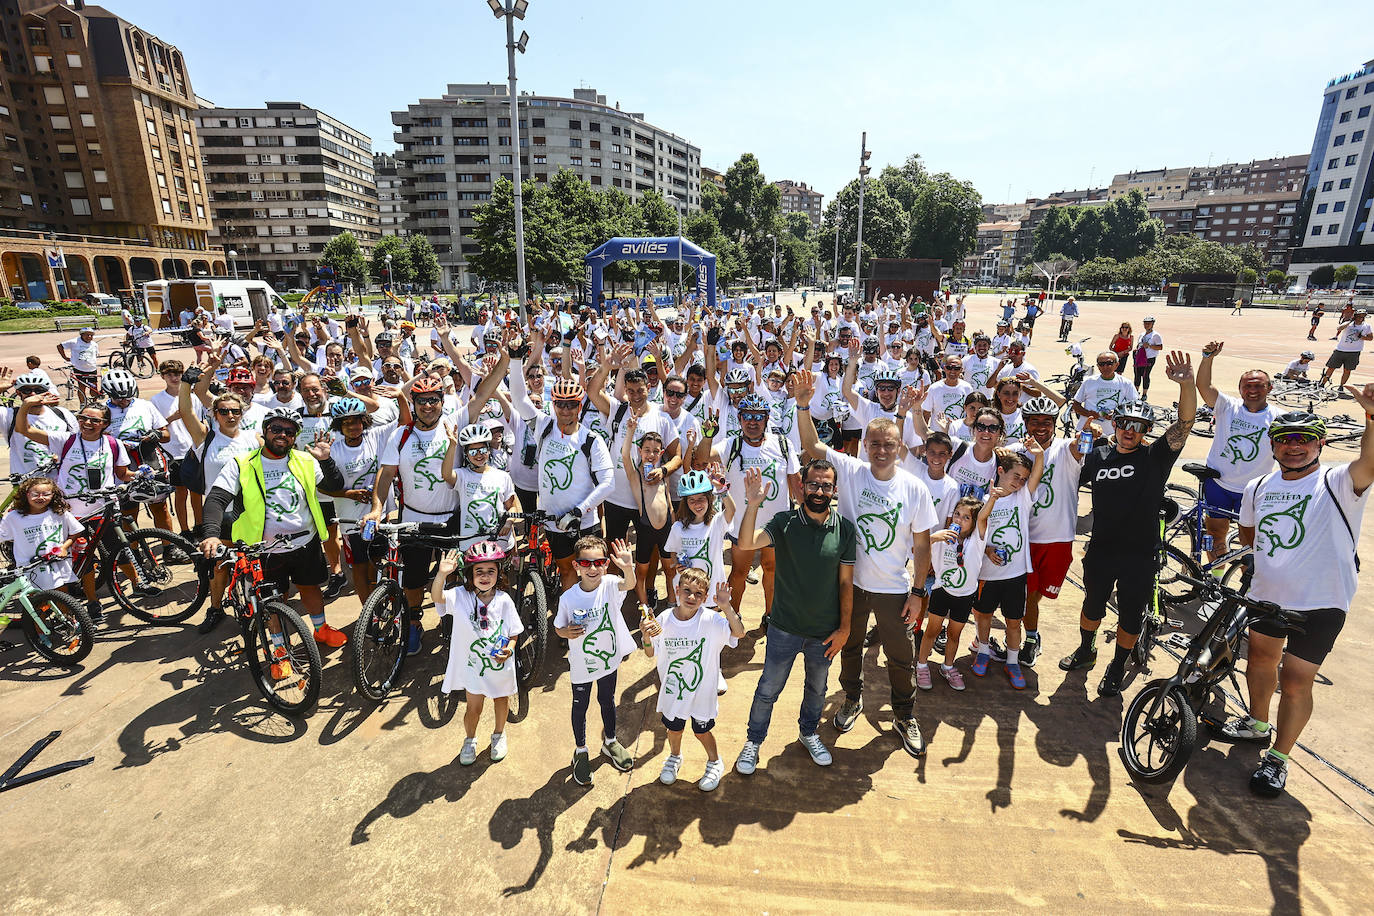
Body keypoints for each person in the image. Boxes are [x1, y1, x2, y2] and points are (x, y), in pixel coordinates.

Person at [1222, 405, 1374, 797]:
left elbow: (1369, 461)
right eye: (1285, 440)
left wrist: (1372, 420)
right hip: (1267, 597)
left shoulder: (1338, 480)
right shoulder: (1259, 486)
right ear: (1272, 445)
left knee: (1295, 681)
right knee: (1260, 662)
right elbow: (1249, 535)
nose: (1294, 447)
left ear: (1321, 443)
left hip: (1322, 602)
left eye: (1304, 439)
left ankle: (1278, 758)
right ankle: (1257, 724)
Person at [795, 370, 935, 758]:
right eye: (874, 443)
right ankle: (851, 699)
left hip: (893, 589)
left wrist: (918, 592)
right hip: (850, 584)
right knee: (850, 646)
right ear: (865, 445)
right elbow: (811, 445)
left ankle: (904, 715)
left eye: (888, 444)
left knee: (901, 657)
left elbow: (922, 546)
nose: (881, 450)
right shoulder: (852, 470)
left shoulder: (915, 488)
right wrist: (803, 405)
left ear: (898, 444)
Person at [1059, 351, 1196, 696]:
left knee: (1131, 616)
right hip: (1102, 549)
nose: (1129, 432)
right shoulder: (1099, 454)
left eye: (1137, 426)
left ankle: (1117, 665)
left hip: (1139, 554)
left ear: (1145, 431)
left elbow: (1185, 424)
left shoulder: (1154, 457)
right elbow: (1068, 477)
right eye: (1124, 424)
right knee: (1092, 606)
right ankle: (1086, 650)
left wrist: (1187, 385)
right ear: (1116, 424)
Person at [733, 460, 855, 775]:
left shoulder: (845, 529)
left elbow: (845, 583)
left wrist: (844, 629)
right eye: (813, 484)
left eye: (826, 486)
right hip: (784, 628)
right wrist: (752, 505)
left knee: (817, 690)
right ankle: (753, 741)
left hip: (823, 632)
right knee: (768, 690)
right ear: (801, 485)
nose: (819, 491)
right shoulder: (783, 522)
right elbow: (746, 543)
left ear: (834, 490)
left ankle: (808, 732)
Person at [198, 407, 349, 650]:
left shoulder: (304, 460)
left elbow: (334, 486)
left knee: (310, 587)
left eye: (289, 431)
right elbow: (216, 499)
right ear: (265, 431)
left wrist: (325, 460)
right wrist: (212, 535)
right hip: (263, 549)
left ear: (295, 436)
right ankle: (279, 648)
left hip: (305, 541)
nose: (283, 435)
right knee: (272, 600)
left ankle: (321, 629)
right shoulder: (242, 464)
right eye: (276, 428)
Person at [643, 571, 743, 791]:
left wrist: (726, 607)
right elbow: (650, 653)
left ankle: (715, 761)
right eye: (687, 590)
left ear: (705, 597)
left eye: (698, 594)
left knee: (701, 731)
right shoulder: (664, 619)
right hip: (673, 691)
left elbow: (739, 633)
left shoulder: (711, 620)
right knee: (674, 730)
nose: (691, 597)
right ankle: (674, 757)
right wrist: (646, 636)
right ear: (677, 590)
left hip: (702, 692)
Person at [552, 535, 638, 787]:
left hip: (608, 660)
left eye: (599, 562)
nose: (593, 568)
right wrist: (566, 633)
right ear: (576, 566)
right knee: (580, 706)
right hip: (582, 664)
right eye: (586, 563)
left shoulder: (610, 584)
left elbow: (630, 584)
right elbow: (558, 627)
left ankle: (610, 742)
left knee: (607, 700)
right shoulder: (569, 598)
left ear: (606, 565)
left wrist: (628, 566)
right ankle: (580, 750)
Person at [434, 542, 520, 766]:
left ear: (499, 573)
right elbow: (437, 597)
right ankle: (470, 740)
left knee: (501, 700)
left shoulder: (504, 600)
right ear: (469, 574)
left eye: (491, 571)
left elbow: (514, 632)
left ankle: (499, 734)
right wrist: (442, 574)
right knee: (473, 707)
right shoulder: (460, 596)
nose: (485, 576)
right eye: (478, 571)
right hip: (473, 667)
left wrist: (509, 649)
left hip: (500, 665)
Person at [1018, 395, 1087, 667]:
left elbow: (1079, 445)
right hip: (1025, 538)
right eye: (1034, 421)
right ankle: (1031, 639)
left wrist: (1089, 431)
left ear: (1054, 424)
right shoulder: (1016, 450)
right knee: (1028, 595)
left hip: (1058, 538)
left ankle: (1031, 632)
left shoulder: (1065, 449)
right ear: (1025, 423)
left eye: (1046, 421)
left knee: (1037, 595)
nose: (1040, 427)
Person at [1195, 342, 1276, 569]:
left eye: (1259, 386)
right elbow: (1203, 386)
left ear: (1269, 388)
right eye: (1247, 386)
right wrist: (1207, 358)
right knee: (1215, 534)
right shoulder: (1227, 406)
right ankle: (1216, 582)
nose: (1252, 390)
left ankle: (1246, 585)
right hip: (1218, 484)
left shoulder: (1278, 418)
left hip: (1252, 490)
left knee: (1249, 543)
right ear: (1240, 389)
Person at [917, 495, 987, 690]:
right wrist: (933, 538)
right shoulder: (942, 536)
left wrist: (993, 498)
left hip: (965, 595)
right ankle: (921, 665)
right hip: (942, 590)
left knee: (954, 635)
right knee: (932, 630)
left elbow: (984, 517)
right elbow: (916, 548)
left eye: (966, 517)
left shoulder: (977, 539)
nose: (959, 520)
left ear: (974, 523)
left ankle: (947, 667)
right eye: (957, 514)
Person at [0, 476, 83, 591]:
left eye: (46, 494)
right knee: (34, 598)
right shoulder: (13, 517)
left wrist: (64, 548)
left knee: (62, 596)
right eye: (35, 494)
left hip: (57, 564)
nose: (41, 498)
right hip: (29, 567)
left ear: (53, 494)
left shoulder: (59, 513)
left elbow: (76, 531)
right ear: (26, 494)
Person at [1072, 352, 1139, 431]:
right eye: (1101, 364)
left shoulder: (1126, 383)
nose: (1105, 367)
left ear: (1117, 365)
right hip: (1087, 431)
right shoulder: (1089, 382)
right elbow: (1076, 405)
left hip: (1112, 432)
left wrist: (1117, 414)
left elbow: (1134, 406)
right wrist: (1088, 413)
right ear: (1098, 366)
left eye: (1109, 363)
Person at [1318, 308, 1372, 389]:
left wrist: (1362, 337)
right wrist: (1350, 322)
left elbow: (1370, 338)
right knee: (1331, 368)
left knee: (1347, 370)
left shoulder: (1367, 326)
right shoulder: (1348, 324)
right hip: (1340, 350)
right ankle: (1322, 384)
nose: (1361, 318)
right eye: (1359, 316)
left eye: (1363, 316)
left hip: (1354, 352)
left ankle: (1341, 386)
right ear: (1355, 316)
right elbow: (1339, 328)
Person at [56, 326, 100, 402]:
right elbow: (60, 346)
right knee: (82, 387)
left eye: (91, 335)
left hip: (92, 369)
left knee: (94, 388)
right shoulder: (74, 342)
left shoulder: (94, 344)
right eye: (87, 335)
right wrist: (65, 357)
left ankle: (94, 403)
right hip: (79, 369)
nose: (89, 337)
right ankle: (83, 404)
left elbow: (95, 355)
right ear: (82, 335)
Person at [1133, 317, 1163, 398]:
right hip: (1139, 357)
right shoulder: (1142, 334)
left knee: (1145, 375)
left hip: (1149, 358)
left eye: (1149, 323)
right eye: (1145, 323)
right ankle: (1136, 392)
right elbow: (1138, 344)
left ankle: (1144, 394)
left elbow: (1160, 347)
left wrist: (1149, 346)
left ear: (1152, 324)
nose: (1147, 325)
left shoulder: (1155, 335)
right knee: (1137, 375)